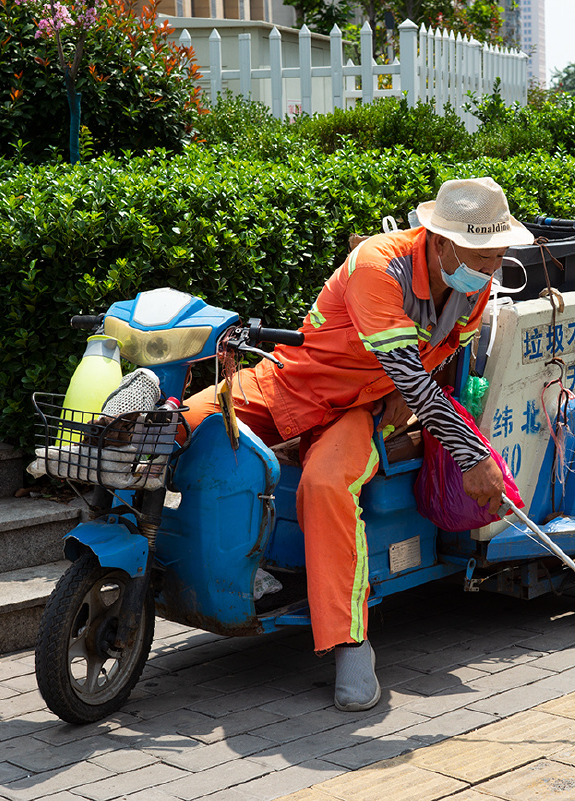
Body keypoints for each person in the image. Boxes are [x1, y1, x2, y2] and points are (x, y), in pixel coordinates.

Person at [182, 177, 532, 711]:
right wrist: (473, 452)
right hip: (295, 381)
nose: (488, 269)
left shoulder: (475, 286)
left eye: (498, 254)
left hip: (356, 409)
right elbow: (410, 371)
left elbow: (439, 356)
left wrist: (403, 398)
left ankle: (352, 644)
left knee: (325, 486)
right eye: (479, 255)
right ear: (438, 242)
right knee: (182, 422)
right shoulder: (378, 265)